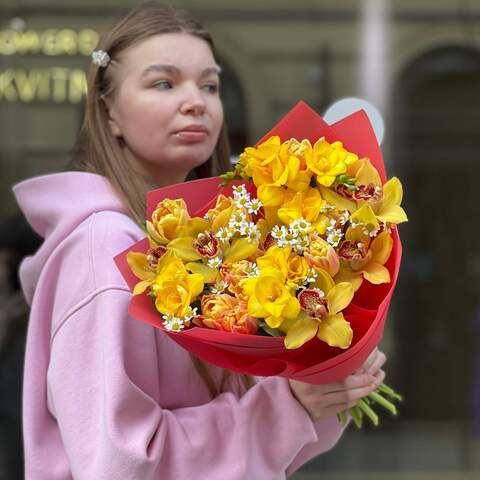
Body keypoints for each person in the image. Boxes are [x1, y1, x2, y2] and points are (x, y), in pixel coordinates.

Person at [13, 2, 386, 479]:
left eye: (210, 85)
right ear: (108, 113)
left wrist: (320, 384)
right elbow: (118, 464)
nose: (197, 101)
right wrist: (284, 408)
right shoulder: (103, 249)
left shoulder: (204, 240)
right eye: (163, 83)